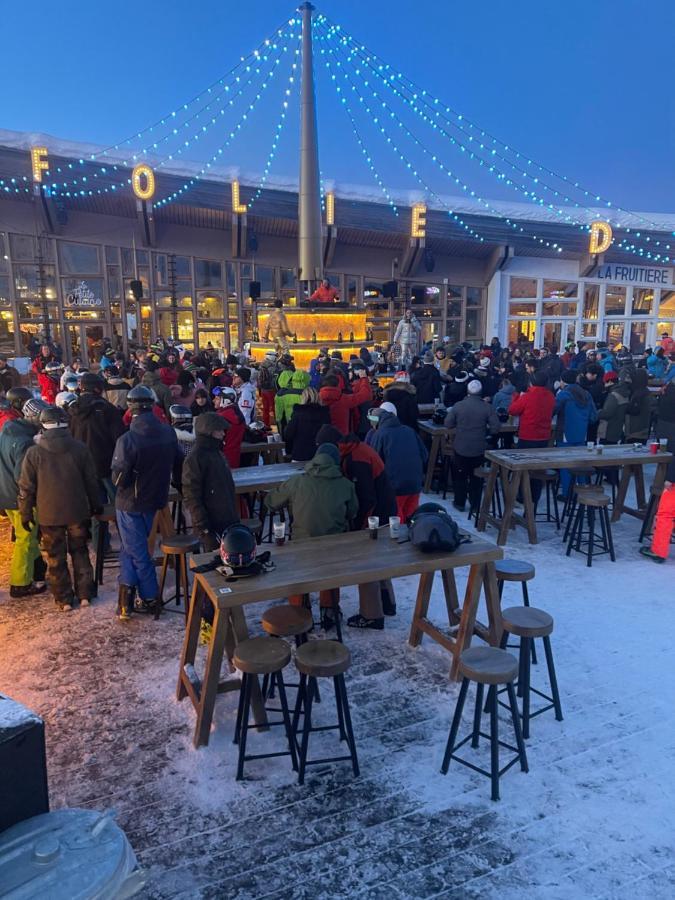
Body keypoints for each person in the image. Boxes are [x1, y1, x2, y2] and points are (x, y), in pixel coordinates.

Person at [265, 442, 358, 630]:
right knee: (331, 572)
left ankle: (298, 611)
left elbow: (271, 502)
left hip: (302, 544)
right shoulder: (345, 484)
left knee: (299, 575)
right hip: (333, 546)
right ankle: (329, 610)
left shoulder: (297, 481)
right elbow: (353, 512)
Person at [18, 406, 101, 611]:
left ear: (43, 425)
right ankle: (85, 594)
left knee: (55, 557)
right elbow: (91, 481)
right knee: (80, 551)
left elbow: (26, 487)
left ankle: (63, 599)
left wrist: (25, 512)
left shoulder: (34, 453)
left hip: (49, 514)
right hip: (78, 510)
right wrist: (96, 504)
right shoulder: (80, 448)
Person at [111, 385, 181, 620]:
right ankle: (126, 599)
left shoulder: (127, 439)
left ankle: (148, 597)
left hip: (130, 502)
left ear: (131, 409)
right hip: (155, 498)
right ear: (152, 405)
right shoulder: (168, 433)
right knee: (131, 548)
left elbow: (119, 479)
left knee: (136, 550)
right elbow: (179, 462)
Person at [317, 424, 397, 630]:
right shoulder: (353, 450)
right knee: (378, 560)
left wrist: (359, 527)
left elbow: (367, 499)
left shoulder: (357, 459)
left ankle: (372, 615)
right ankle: (387, 603)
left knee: (367, 563)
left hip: (377, 514)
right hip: (384, 508)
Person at [68, 373, 125, 550]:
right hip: (108, 465)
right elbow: (121, 439)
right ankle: (128, 543)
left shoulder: (72, 410)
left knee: (96, 509)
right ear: (98, 389)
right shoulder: (108, 409)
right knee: (122, 507)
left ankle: (100, 545)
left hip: (84, 467)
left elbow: (69, 438)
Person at [0, 397, 49, 598]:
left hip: (6, 494)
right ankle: (19, 583)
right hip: (19, 498)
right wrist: (28, 502)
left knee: (28, 536)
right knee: (25, 538)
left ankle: (37, 567)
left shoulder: (7, 432)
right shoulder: (24, 443)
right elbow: (25, 478)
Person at [182, 412, 239, 550]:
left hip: (226, 516)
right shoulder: (195, 458)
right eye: (219, 430)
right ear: (209, 432)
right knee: (213, 558)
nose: (223, 434)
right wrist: (202, 524)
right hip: (210, 522)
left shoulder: (217, 453)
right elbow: (191, 494)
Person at [444, 380, 500, 513]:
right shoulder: (487, 407)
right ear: (481, 392)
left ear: (467, 391)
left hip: (461, 446)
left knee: (460, 476)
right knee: (476, 478)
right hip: (478, 448)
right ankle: (475, 504)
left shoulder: (458, 406)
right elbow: (495, 428)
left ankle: (459, 502)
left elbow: (448, 424)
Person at [367, 401, 428, 522]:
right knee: (412, 521)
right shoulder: (410, 431)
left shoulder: (380, 435)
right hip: (415, 484)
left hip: (395, 486)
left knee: (397, 524)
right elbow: (424, 455)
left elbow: (374, 462)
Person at [554, 371, 599, 496]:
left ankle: (567, 493)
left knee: (565, 464)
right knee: (580, 463)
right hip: (581, 434)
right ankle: (582, 490)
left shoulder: (563, 395)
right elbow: (593, 417)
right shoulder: (587, 394)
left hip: (565, 434)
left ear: (563, 381)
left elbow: (552, 410)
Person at [319, 370, 372, 435]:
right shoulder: (343, 399)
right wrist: (364, 378)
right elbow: (365, 395)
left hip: (321, 437)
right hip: (341, 437)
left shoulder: (317, 398)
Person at [284, 387, 330, 461]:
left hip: (300, 453)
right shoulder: (324, 413)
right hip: (319, 454)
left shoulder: (298, 413)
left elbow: (288, 434)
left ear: (303, 397)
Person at [213, 386, 246, 468]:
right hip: (235, 455)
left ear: (226, 400)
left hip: (221, 457)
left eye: (217, 398)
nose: (213, 400)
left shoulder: (222, 417)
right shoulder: (236, 412)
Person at [274, 368, 310, 438]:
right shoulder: (309, 393)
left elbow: (279, 416)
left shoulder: (281, 394)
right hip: (305, 427)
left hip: (288, 424)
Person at [625, 368, 653, 442]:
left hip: (635, 430)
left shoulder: (639, 394)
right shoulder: (645, 391)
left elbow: (634, 410)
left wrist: (625, 406)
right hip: (642, 429)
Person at [258, 350, 280, 427]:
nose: (276, 358)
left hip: (263, 389)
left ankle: (266, 425)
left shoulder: (262, 365)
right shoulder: (272, 367)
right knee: (275, 408)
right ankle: (278, 424)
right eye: (275, 357)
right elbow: (275, 378)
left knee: (265, 408)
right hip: (271, 390)